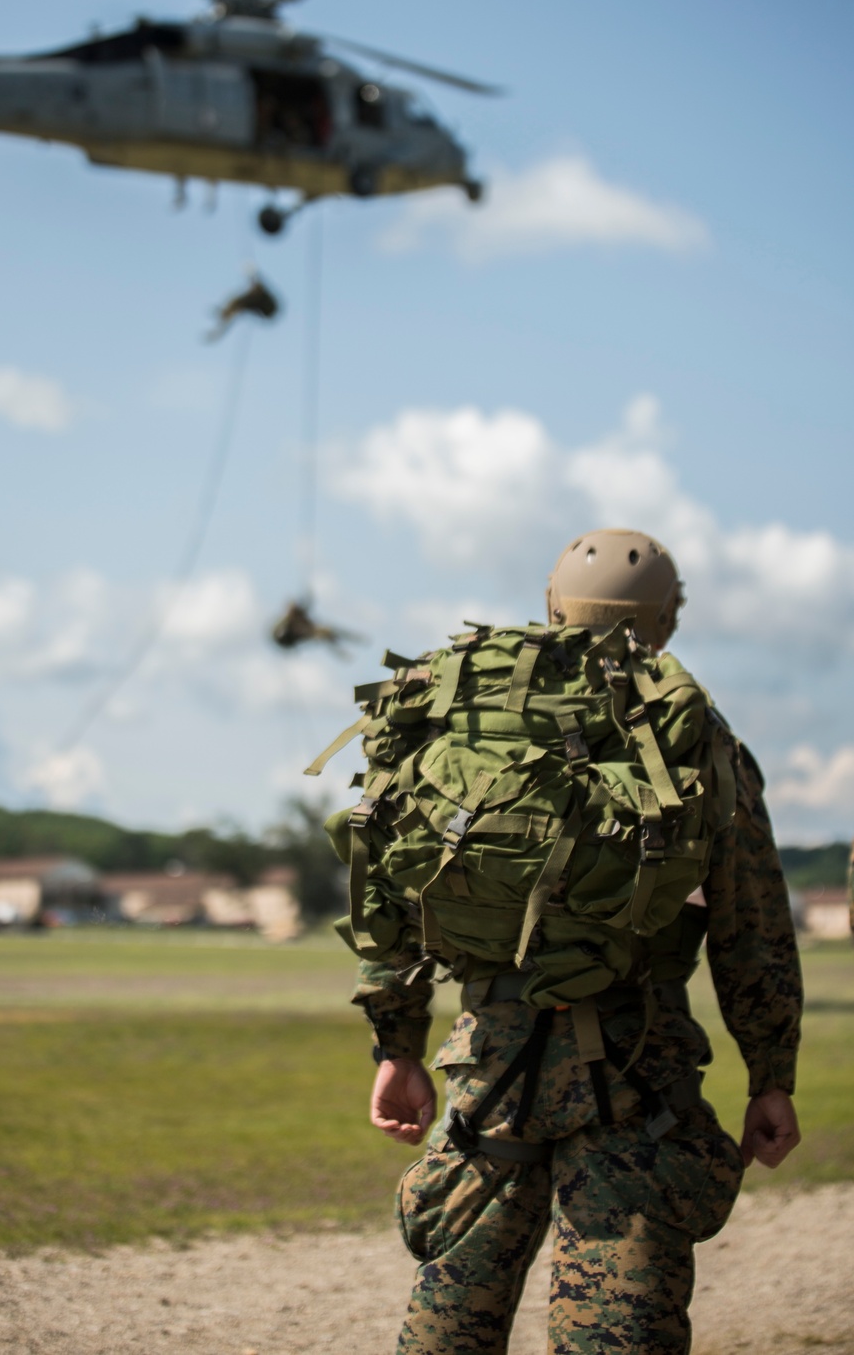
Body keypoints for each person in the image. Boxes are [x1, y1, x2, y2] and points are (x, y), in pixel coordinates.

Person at [340, 529, 802, 1355]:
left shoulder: (464, 712)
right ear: (667, 620)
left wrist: (396, 1043)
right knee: (617, 1333)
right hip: (637, 1078)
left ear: (551, 604)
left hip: (490, 1069)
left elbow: (391, 886)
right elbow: (751, 929)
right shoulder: (699, 739)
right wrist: (771, 1075)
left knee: (452, 1320)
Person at [203, 272, 279, 343]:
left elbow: (228, 322)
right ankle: (223, 316)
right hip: (267, 308)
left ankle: (223, 316)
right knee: (237, 304)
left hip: (269, 308)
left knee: (237, 303)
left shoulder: (240, 302)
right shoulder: (241, 302)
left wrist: (216, 334)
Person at [271, 599, 363, 654]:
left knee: (327, 632)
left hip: (291, 636)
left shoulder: (298, 619)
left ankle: (352, 640)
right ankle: (346, 646)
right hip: (288, 637)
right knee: (326, 632)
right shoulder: (291, 621)